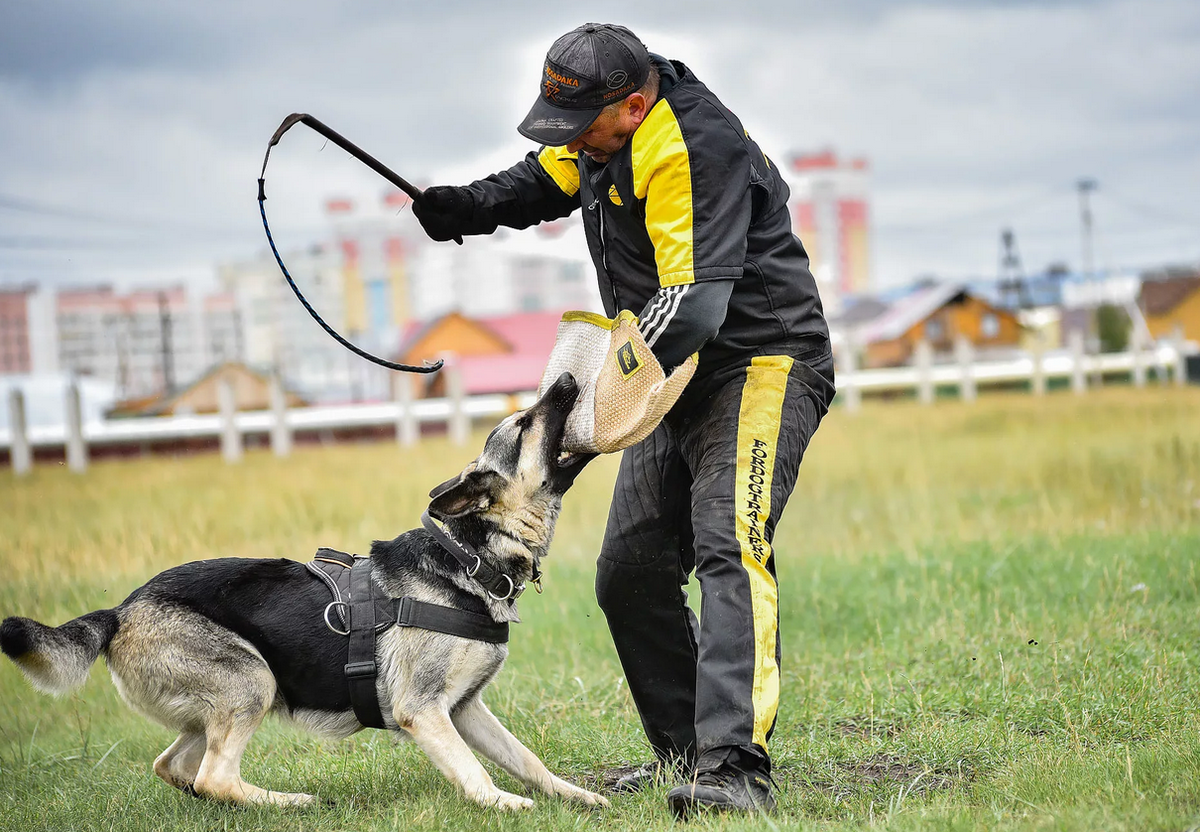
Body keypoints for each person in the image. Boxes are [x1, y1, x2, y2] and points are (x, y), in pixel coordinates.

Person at [412, 23, 835, 817]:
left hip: (758, 363)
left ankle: (734, 771)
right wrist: (459, 208)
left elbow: (696, 300)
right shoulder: (601, 134)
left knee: (728, 545)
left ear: (634, 106)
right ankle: (687, 757)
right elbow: (539, 181)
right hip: (668, 375)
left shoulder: (689, 145)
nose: (572, 145)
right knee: (630, 573)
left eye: (582, 130)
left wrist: (601, 400)